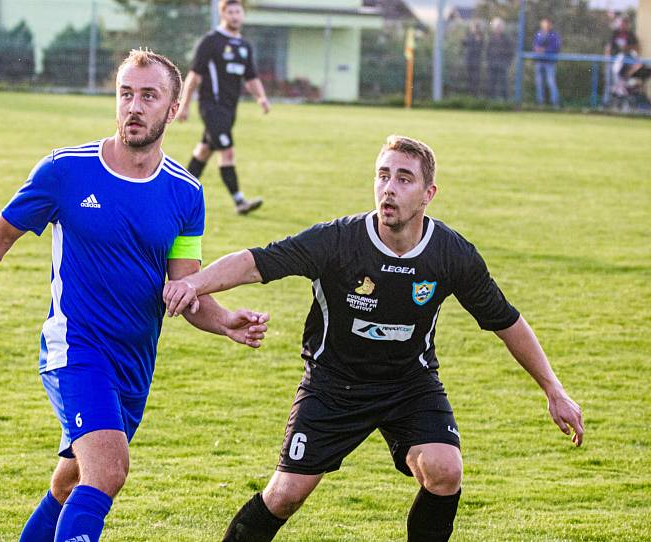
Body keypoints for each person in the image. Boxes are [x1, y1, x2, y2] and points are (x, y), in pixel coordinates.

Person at [163, 135, 584, 542]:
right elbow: (256, 263)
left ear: (428, 193)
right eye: (383, 176)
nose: (389, 188)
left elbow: (504, 321)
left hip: (409, 383)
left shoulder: (451, 254)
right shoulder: (339, 240)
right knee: (286, 494)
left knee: (444, 470)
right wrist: (195, 284)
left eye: (404, 179)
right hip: (333, 384)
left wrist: (554, 389)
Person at [0, 49, 269, 542]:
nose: (133, 106)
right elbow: (0, 233)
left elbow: (183, 284)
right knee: (108, 469)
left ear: (173, 109)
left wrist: (223, 320)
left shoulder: (186, 192)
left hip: (133, 363)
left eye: (148, 96)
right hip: (75, 348)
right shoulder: (65, 171)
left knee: (70, 484)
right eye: (125, 93)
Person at [179, 0, 270, 215]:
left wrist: (262, 98)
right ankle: (240, 201)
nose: (235, 16)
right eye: (231, 12)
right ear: (223, 15)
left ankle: (175, 194)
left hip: (229, 110)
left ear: (243, 15)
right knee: (227, 152)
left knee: (203, 152)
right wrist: (184, 104)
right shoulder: (211, 42)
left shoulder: (245, 47)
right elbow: (194, 76)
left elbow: (251, 77)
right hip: (211, 106)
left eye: (238, 12)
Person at [533, 18, 561, 107]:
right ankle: (540, 102)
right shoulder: (539, 34)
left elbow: (556, 48)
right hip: (539, 61)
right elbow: (535, 45)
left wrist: (545, 50)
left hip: (549, 62)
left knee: (551, 82)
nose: (545, 26)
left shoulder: (554, 35)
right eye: (544, 24)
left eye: (547, 24)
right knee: (539, 82)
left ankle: (554, 102)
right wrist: (537, 49)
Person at [485, 18, 513, 100]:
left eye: (499, 27)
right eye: (496, 27)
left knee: (503, 84)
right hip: (492, 64)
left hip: (503, 65)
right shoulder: (491, 38)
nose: (498, 28)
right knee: (491, 83)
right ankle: (491, 101)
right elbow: (487, 51)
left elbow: (510, 52)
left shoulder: (506, 39)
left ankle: (506, 101)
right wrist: (489, 61)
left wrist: (507, 62)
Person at [462, 22, 484, 96]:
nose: (475, 29)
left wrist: (478, 40)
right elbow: (463, 42)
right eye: (474, 27)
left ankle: (475, 94)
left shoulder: (480, 37)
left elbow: (480, 48)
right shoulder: (469, 36)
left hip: (476, 62)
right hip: (469, 62)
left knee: (476, 79)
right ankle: (469, 94)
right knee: (469, 79)